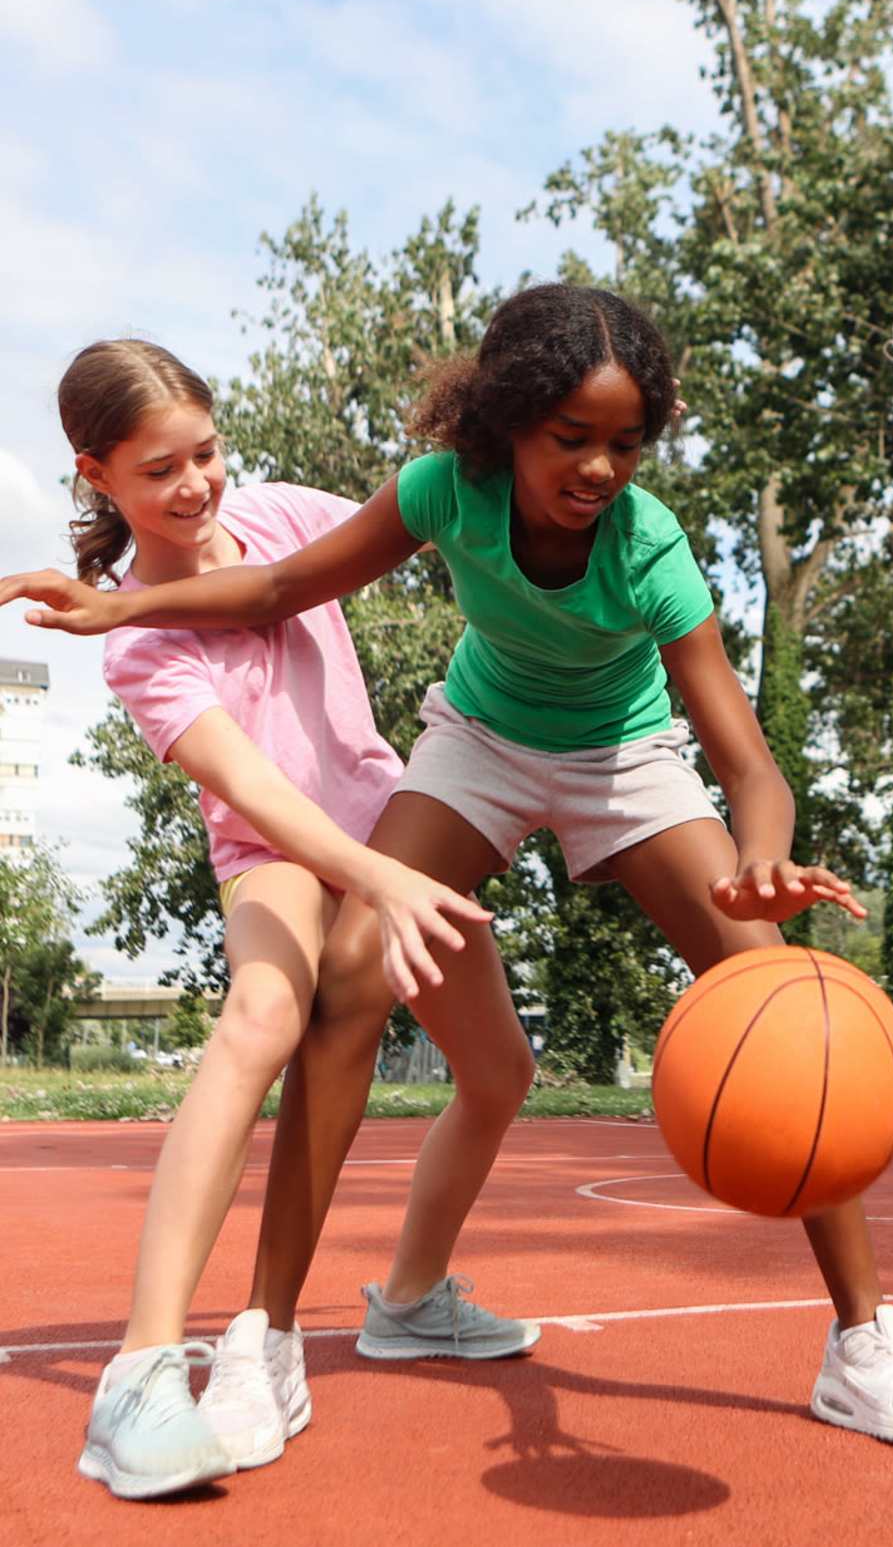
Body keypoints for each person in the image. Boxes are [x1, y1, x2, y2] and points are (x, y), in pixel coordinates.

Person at [3, 288, 893, 1451]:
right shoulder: (443, 492)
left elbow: (748, 763)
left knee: (770, 984)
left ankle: (865, 1339)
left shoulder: (652, 550)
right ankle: (262, 1337)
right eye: (571, 438)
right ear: (507, 425)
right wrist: (121, 603)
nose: (601, 467)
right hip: (478, 736)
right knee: (354, 968)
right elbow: (277, 587)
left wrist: (761, 860)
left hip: (625, 754)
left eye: (625, 441)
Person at [20, 340, 537, 1501]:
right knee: (262, 1012)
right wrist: (378, 876)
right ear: (97, 473)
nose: (196, 483)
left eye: (205, 450)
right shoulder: (141, 644)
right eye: (160, 470)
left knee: (501, 1071)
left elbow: (423, 506)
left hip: (391, 826)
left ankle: (409, 1298)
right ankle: (145, 1372)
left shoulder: (280, 513)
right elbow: (254, 794)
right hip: (281, 858)